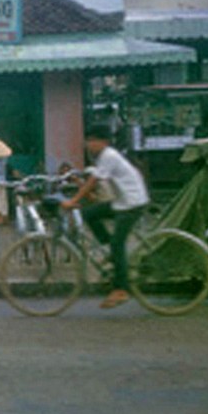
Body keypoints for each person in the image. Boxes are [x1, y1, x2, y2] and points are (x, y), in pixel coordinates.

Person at [61, 123, 150, 309]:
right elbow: (92, 180)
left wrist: (73, 200)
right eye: (88, 140)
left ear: (104, 142)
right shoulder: (103, 157)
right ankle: (112, 251)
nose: (89, 144)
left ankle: (121, 289)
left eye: (93, 141)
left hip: (133, 203)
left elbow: (93, 182)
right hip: (121, 202)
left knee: (119, 243)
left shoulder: (109, 155)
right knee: (88, 214)